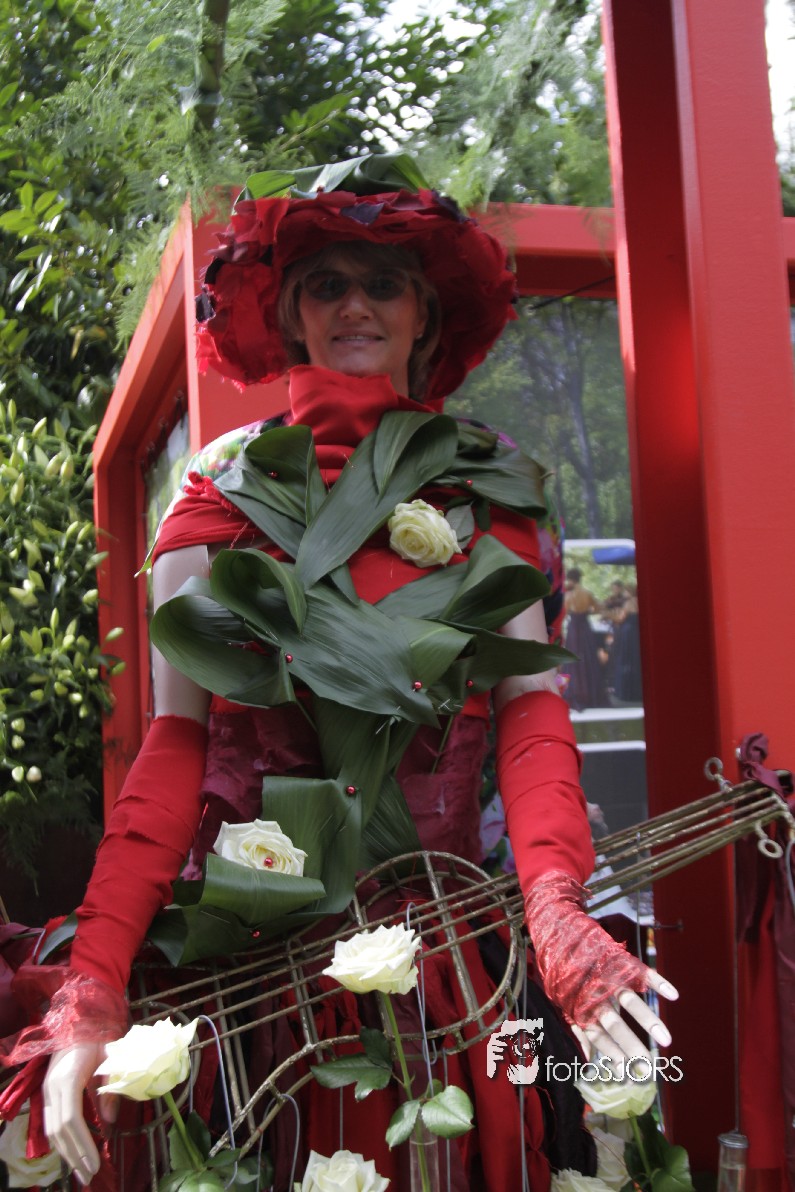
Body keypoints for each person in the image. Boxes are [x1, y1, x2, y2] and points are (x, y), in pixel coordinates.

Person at [0, 165, 677, 1189]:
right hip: (258, 979)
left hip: (449, 961)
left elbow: (532, 718)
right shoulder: (218, 492)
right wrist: (92, 982)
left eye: (383, 282)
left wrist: (556, 914)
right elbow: (175, 746)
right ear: (290, 315)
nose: (355, 304)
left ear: (424, 314)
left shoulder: (491, 487)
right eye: (326, 283)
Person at [561, 567, 609, 710]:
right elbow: (598, 608)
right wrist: (588, 611)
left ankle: (574, 692)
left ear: (571, 579)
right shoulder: (587, 593)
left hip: (573, 628)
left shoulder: (568, 595)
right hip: (585, 627)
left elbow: (565, 612)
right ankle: (591, 693)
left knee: (572, 658)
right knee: (589, 657)